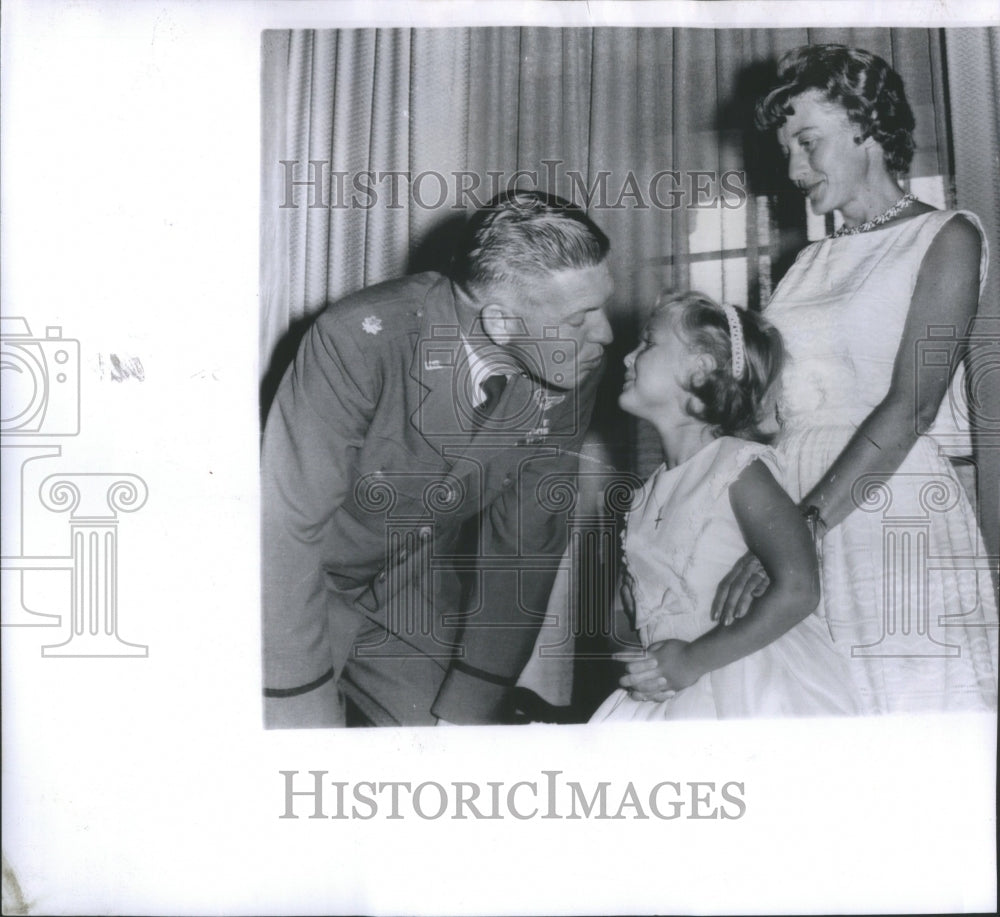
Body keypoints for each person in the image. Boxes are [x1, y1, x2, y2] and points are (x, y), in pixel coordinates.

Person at [712, 44, 998, 713]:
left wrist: (804, 525)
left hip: (885, 509)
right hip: (790, 502)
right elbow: (768, 412)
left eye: (809, 142)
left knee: (906, 721)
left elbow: (912, 407)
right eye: (784, 149)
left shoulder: (947, 236)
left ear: (867, 124)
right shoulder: (806, 263)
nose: (792, 168)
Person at [261, 190, 615, 728]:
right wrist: (295, 707)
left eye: (602, 306)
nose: (605, 334)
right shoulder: (360, 340)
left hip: (412, 589)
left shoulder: (568, 366)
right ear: (500, 323)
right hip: (298, 587)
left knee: (458, 757)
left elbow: (525, 541)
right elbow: (286, 529)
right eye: (578, 319)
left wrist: (473, 699)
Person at [592, 292, 859, 721]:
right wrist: (631, 627)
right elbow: (627, 628)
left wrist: (693, 660)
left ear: (700, 368)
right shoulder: (641, 497)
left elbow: (800, 589)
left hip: (745, 684)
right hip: (671, 696)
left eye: (647, 343)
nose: (627, 358)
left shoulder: (738, 467)